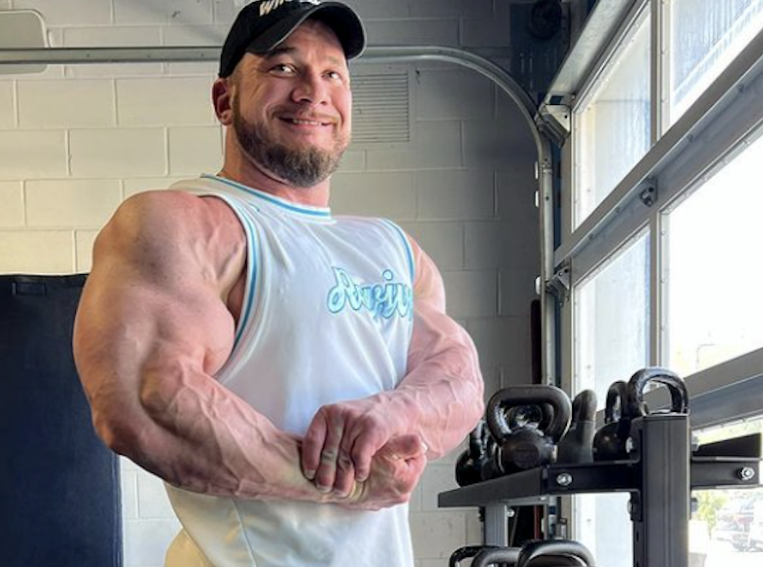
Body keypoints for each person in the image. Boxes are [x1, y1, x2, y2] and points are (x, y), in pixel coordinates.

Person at [73, 1, 485, 565]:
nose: (313, 91)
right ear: (225, 100)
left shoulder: (394, 248)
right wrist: (346, 484)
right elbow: (148, 403)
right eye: (283, 67)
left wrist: (395, 412)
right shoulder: (181, 224)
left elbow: (459, 380)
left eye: (333, 73)